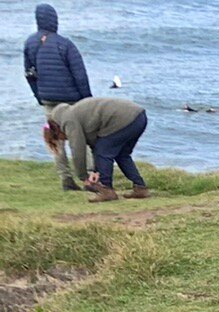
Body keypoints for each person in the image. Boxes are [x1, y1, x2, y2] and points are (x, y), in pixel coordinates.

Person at [21, 4, 90, 190]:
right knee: (82, 137)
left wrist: (39, 96)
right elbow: (80, 75)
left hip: (48, 100)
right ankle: (91, 176)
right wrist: (87, 99)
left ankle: (66, 179)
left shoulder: (30, 43)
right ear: (54, 20)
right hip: (71, 100)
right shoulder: (65, 44)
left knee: (55, 138)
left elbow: (29, 74)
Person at [45, 95, 148, 201]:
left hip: (123, 119)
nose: (64, 139)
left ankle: (107, 191)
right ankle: (140, 188)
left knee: (103, 153)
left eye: (60, 138)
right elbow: (94, 145)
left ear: (56, 130)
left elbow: (77, 150)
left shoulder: (68, 121)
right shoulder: (72, 114)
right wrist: (95, 171)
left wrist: (83, 177)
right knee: (122, 155)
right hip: (139, 117)